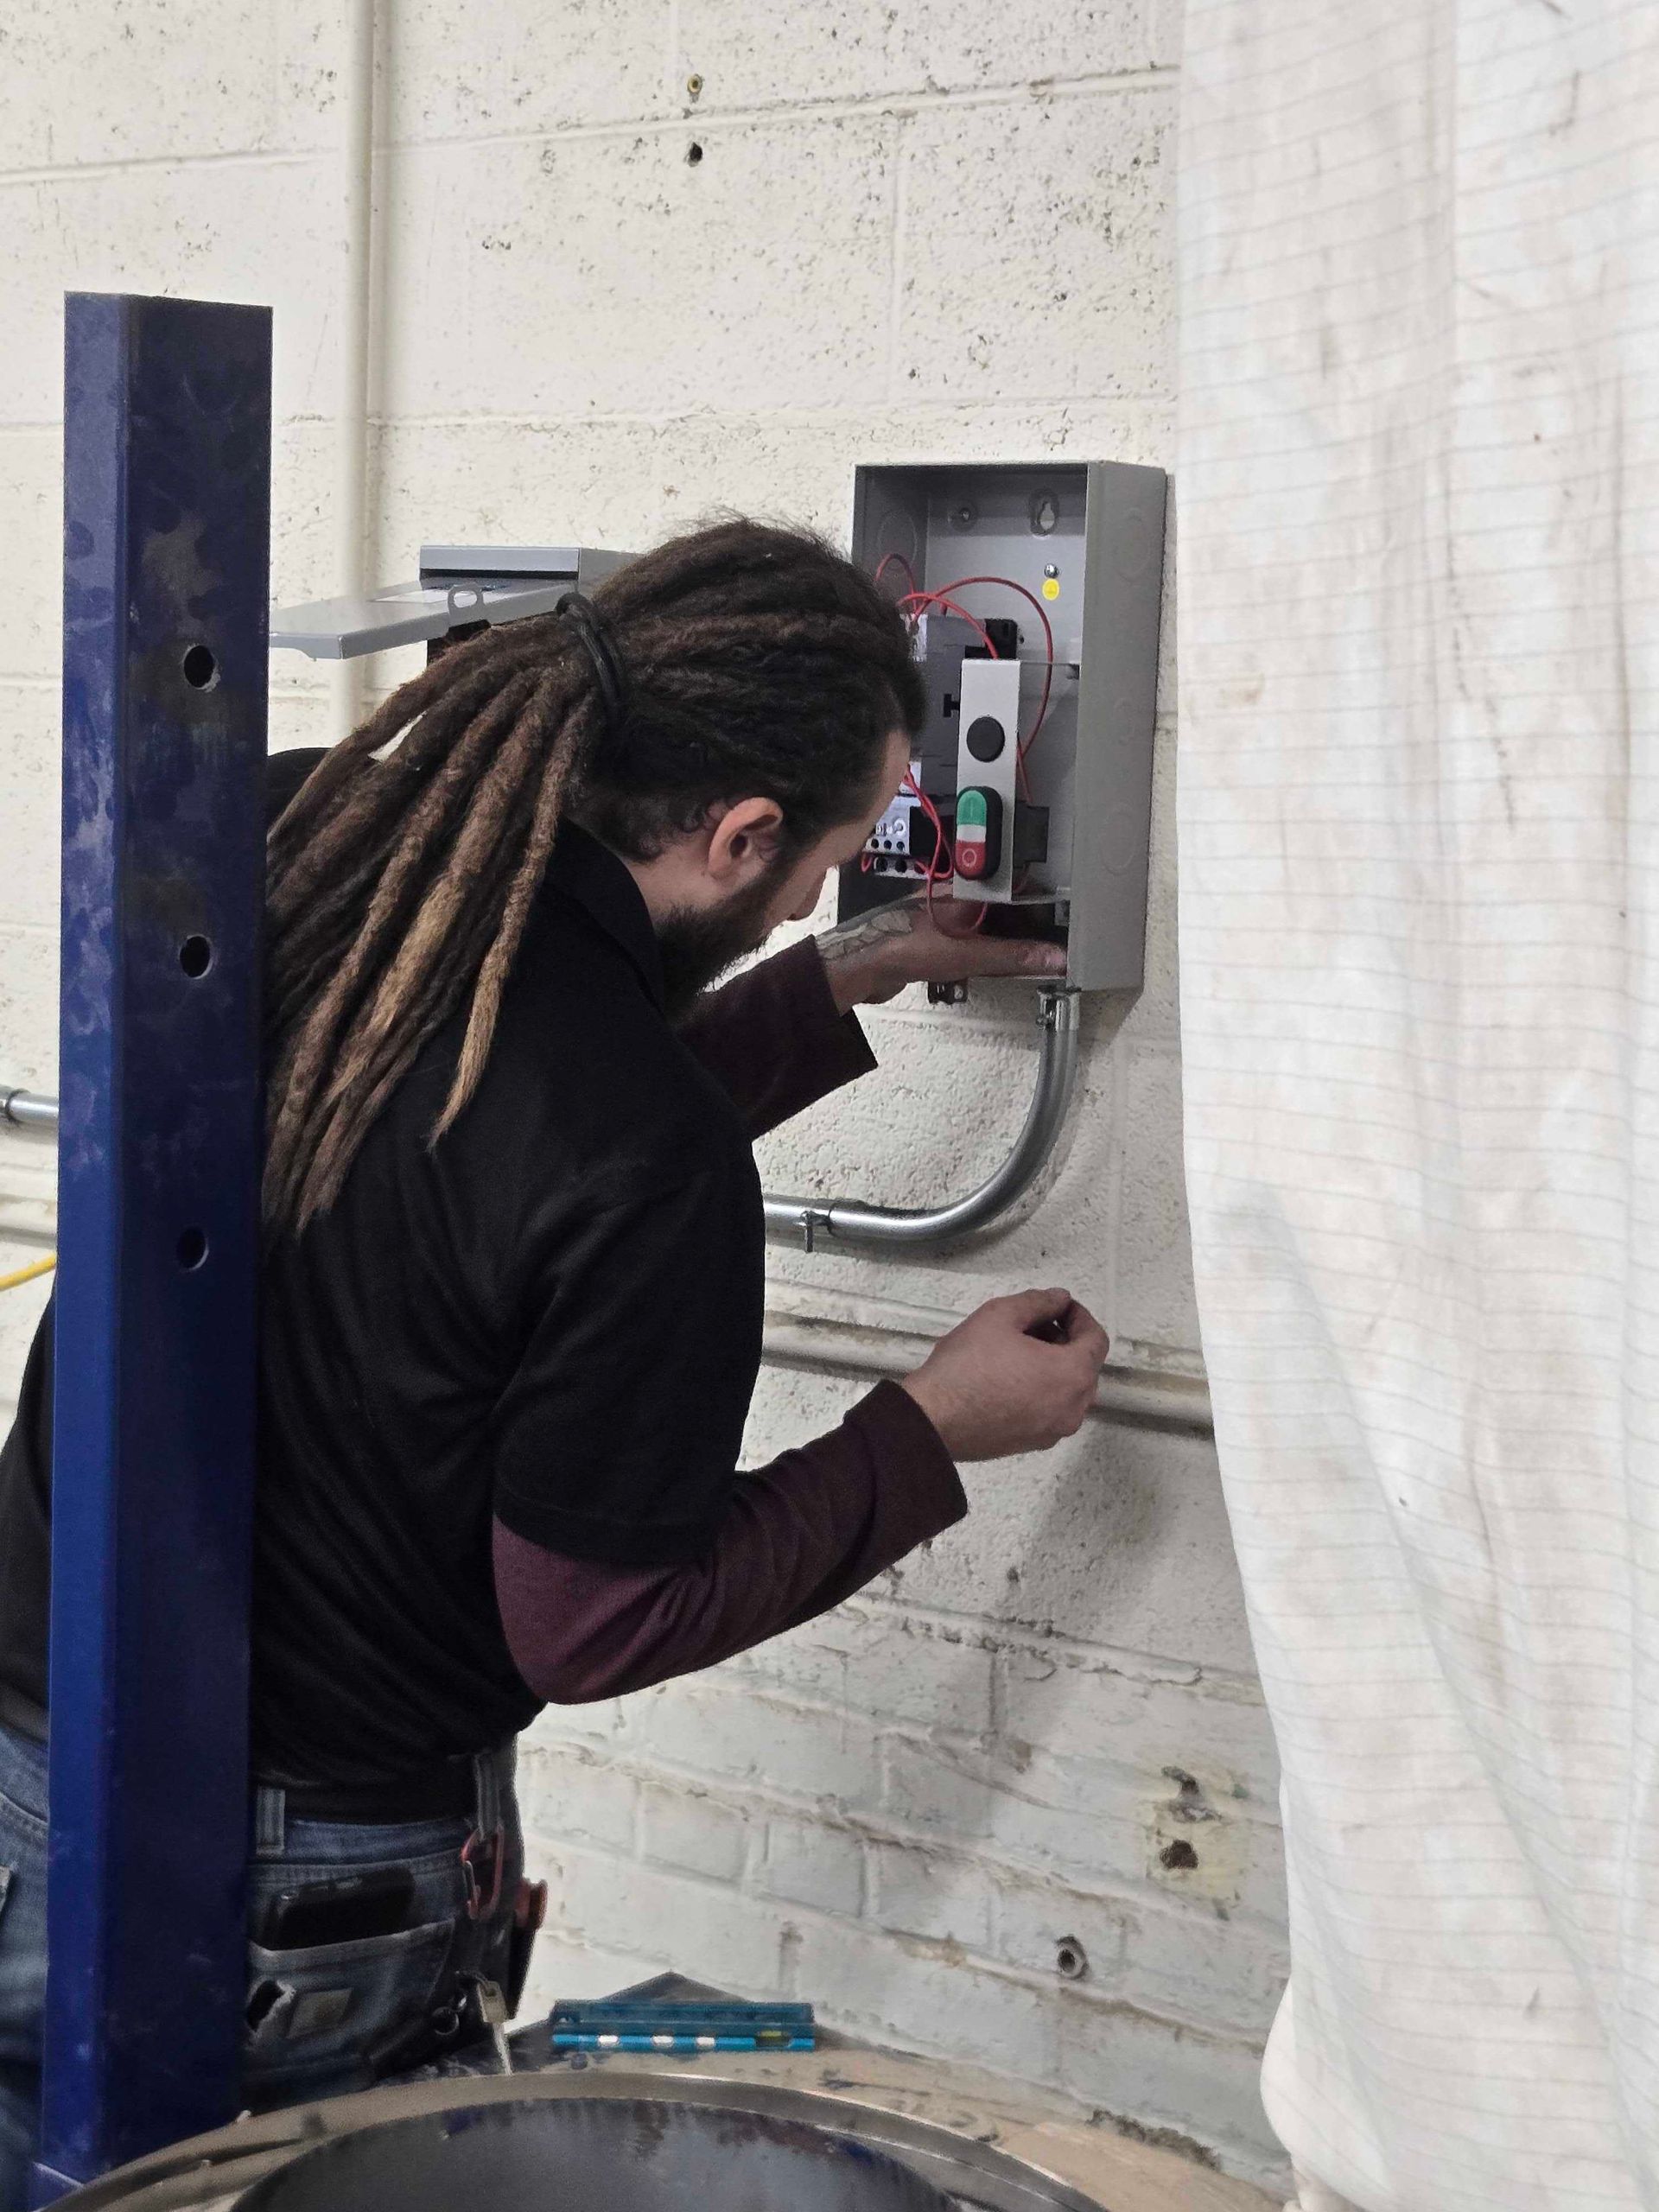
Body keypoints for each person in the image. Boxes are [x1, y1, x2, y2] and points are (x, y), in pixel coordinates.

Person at [0, 519, 1109, 2198]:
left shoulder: (307, 839)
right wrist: (930, 1429)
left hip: (30, 1771)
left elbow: (480, 1161)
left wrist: (847, 972)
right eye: (820, 865)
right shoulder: (644, 1152)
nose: (812, 896)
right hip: (302, 1893)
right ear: (740, 832)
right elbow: (595, 1618)